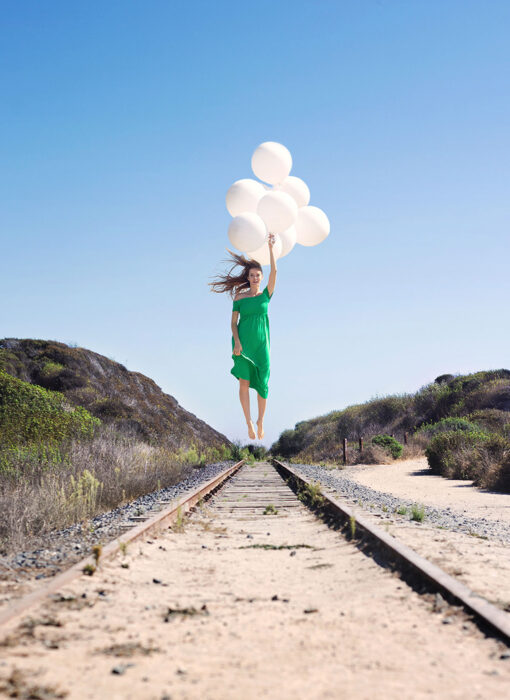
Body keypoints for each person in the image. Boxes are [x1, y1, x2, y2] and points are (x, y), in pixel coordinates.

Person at [209, 234, 277, 439]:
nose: (255, 278)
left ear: (262, 277)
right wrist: (237, 342)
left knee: (263, 384)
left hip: (262, 345)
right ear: (247, 278)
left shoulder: (267, 295)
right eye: (252, 275)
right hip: (243, 344)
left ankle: (260, 421)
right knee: (243, 383)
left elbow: (275, 270)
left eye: (258, 275)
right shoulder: (239, 298)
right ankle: (248, 421)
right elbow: (232, 323)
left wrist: (271, 248)